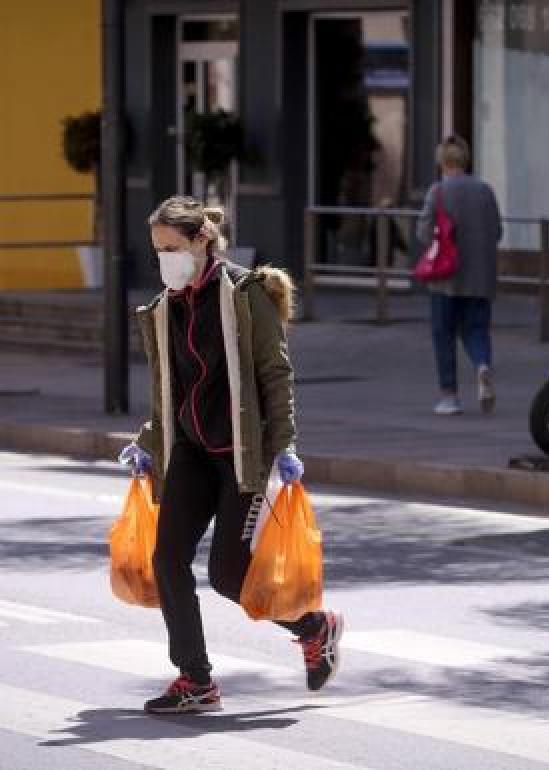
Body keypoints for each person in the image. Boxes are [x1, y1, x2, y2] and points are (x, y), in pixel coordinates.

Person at [118, 196, 343, 715]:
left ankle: (314, 626)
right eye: (157, 252)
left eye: (171, 248)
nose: (164, 261)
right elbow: (171, 391)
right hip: (192, 451)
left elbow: (275, 375)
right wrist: (149, 441)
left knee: (227, 574)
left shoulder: (245, 294)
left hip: (240, 456)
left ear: (201, 241)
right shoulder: (164, 307)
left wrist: (284, 444)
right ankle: (195, 679)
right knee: (168, 559)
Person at [416, 135, 503, 416]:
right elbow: (497, 232)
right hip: (481, 277)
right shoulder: (485, 190)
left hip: (446, 277)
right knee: (477, 329)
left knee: (444, 334)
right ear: (465, 159)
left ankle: (449, 396)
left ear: (442, 161)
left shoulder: (438, 191)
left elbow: (424, 232)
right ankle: (482, 365)